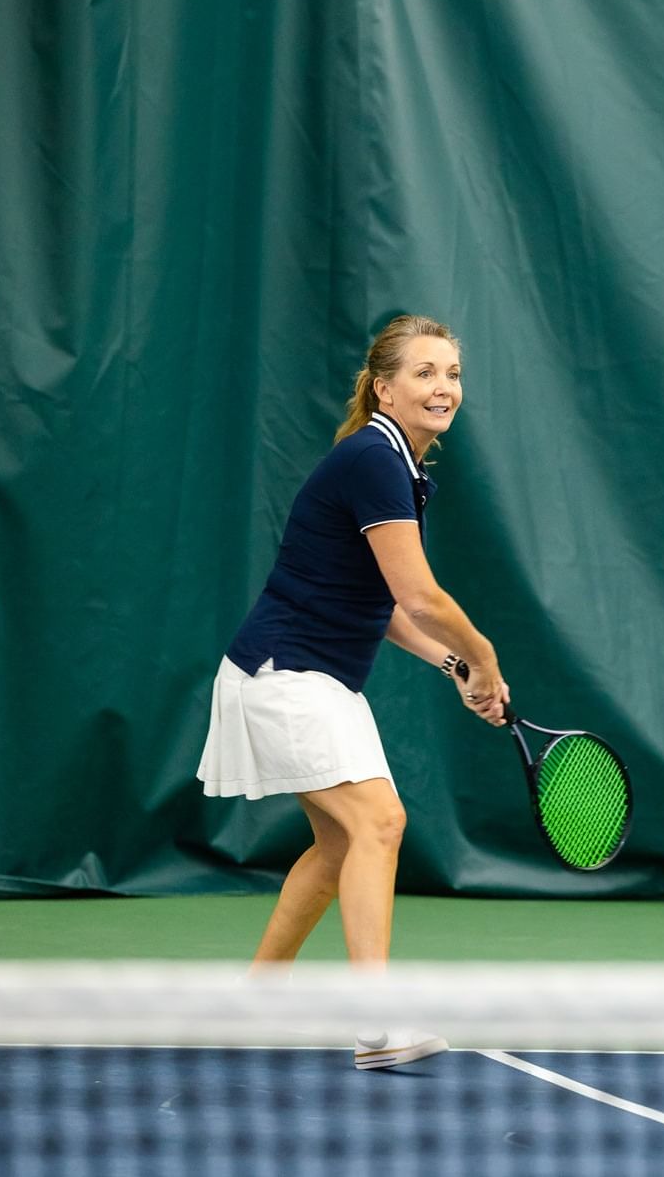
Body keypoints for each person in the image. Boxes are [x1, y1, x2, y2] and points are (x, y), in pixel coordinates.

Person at [196, 313, 508, 1069]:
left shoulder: (396, 465)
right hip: (283, 673)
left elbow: (386, 606)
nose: (443, 387)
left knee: (340, 845)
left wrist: (451, 667)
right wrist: (484, 657)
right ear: (384, 388)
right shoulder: (374, 459)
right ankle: (375, 1020)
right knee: (379, 822)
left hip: (313, 676)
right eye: (425, 373)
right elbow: (422, 595)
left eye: (453, 374)